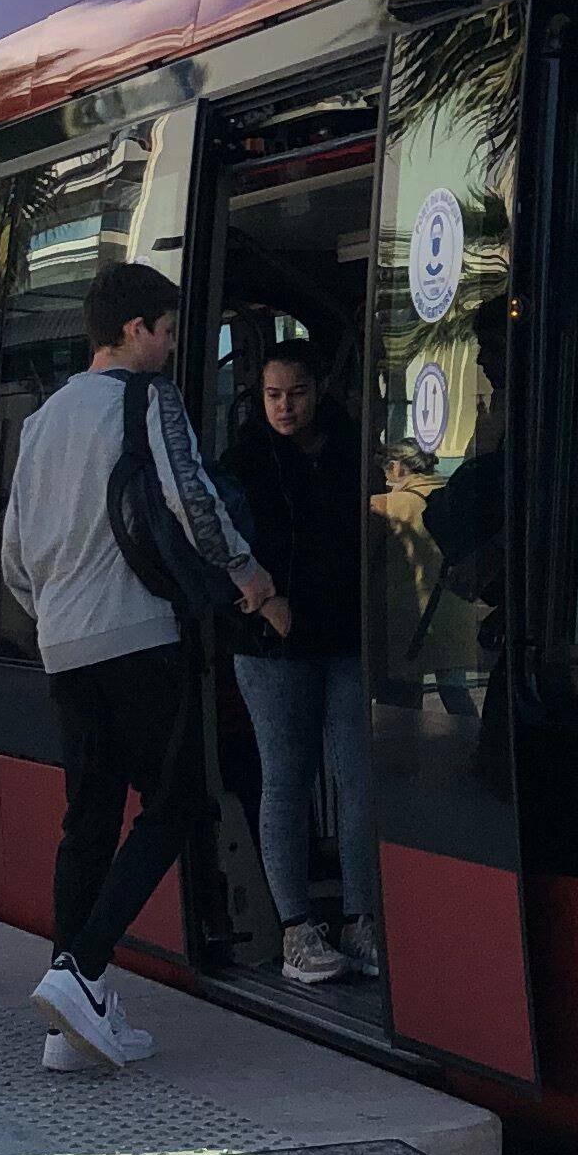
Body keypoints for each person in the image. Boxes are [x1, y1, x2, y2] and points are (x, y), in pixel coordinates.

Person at [0, 261, 282, 1070]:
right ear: (134, 331)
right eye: (164, 330)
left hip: (63, 646)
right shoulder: (144, 400)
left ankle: (69, 1031)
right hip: (136, 638)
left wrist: (55, 613)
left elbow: (14, 556)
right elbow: (193, 502)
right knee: (180, 798)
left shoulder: (44, 420)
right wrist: (249, 577)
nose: (169, 347)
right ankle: (82, 969)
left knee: (87, 822)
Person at [222, 343, 378, 987]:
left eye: (298, 393)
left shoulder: (353, 446)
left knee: (357, 779)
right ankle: (296, 931)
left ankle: (361, 918)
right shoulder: (242, 461)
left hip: (346, 635)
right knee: (285, 780)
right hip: (271, 644)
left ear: (321, 391)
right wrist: (263, 598)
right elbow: (217, 543)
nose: (285, 407)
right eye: (273, 395)